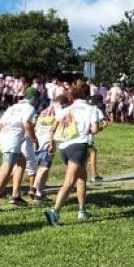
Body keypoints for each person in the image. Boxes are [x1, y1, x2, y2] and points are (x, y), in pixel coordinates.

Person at [44, 81, 99, 226]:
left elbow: (53, 127)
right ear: (86, 94)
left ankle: (82, 209)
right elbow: (94, 129)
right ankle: (54, 211)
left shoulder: (66, 109)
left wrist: (51, 143)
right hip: (79, 146)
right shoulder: (90, 109)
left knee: (82, 176)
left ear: (72, 97)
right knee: (69, 181)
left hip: (64, 147)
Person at [0, 96, 38, 212]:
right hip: (13, 140)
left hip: (4, 137)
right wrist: (35, 140)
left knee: (22, 161)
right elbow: (28, 125)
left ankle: (16, 194)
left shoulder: (12, 108)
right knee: (6, 171)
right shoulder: (29, 108)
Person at [88, 94, 109, 183]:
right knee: (93, 152)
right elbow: (105, 122)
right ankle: (94, 175)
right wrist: (100, 128)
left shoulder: (86, 108)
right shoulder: (97, 110)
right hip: (88, 137)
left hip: (78, 136)